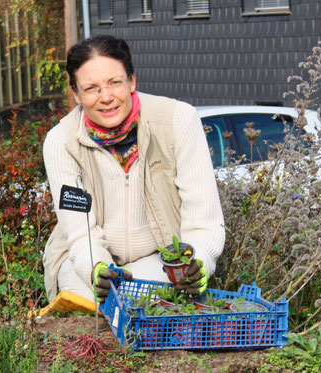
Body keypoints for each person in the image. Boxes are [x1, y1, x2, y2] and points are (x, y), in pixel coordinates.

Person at [42, 34, 225, 303]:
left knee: (139, 297)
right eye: (91, 88)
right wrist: (96, 268)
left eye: (115, 83)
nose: (106, 97)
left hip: (157, 261)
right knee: (83, 297)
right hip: (83, 264)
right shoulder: (62, 142)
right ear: (76, 94)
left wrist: (200, 261)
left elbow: (203, 219)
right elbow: (80, 232)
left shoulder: (177, 121)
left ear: (132, 81)